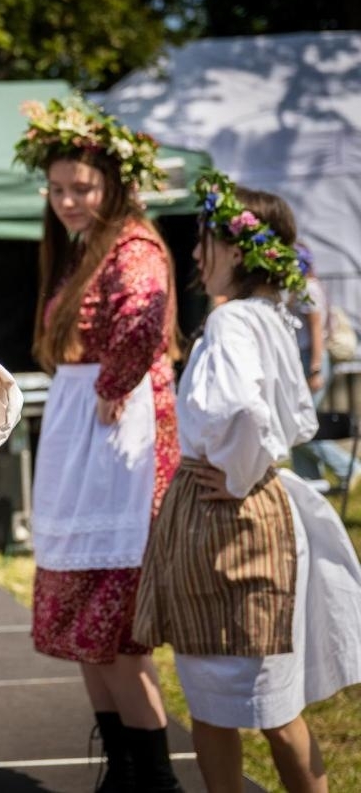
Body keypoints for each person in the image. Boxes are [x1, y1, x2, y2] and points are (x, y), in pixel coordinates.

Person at [134, 174, 361, 793]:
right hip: (256, 511)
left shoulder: (234, 321)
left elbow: (243, 411)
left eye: (206, 240)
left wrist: (236, 476)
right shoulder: (270, 316)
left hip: (228, 519)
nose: (197, 254)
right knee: (269, 702)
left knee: (223, 702)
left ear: (236, 250)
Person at [15, 95, 184, 792]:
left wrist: (114, 382)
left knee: (116, 629)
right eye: (56, 189)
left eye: (80, 187)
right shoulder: (88, 248)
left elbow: (145, 317)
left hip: (118, 440)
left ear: (113, 183)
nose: (66, 200)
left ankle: (155, 778)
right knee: (88, 625)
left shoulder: (135, 244)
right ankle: (124, 768)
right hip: (83, 433)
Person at [289, 242, 361, 489]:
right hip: (305, 359)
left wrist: (316, 368)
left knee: (301, 426)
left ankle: (347, 467)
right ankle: (308, 483)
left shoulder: (307, 289)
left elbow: (317, 331)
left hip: (312, 360)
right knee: (299, 426)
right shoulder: (303, 288)